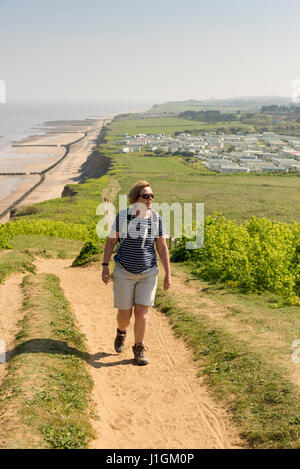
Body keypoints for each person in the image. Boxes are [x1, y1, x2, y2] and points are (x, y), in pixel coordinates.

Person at [101, 180, 171, 366]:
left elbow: (162, 247)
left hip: (148, 273)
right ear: (135, 198)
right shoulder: (123, 217)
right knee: (125, 316)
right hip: (124, 271)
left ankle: (138, 348)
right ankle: (121, 331)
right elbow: (111, 242)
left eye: (152, 196)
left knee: (141, 313)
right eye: (146, 196)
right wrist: (105, 265)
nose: (150, 199)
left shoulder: (156, 219)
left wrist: (168, 274)